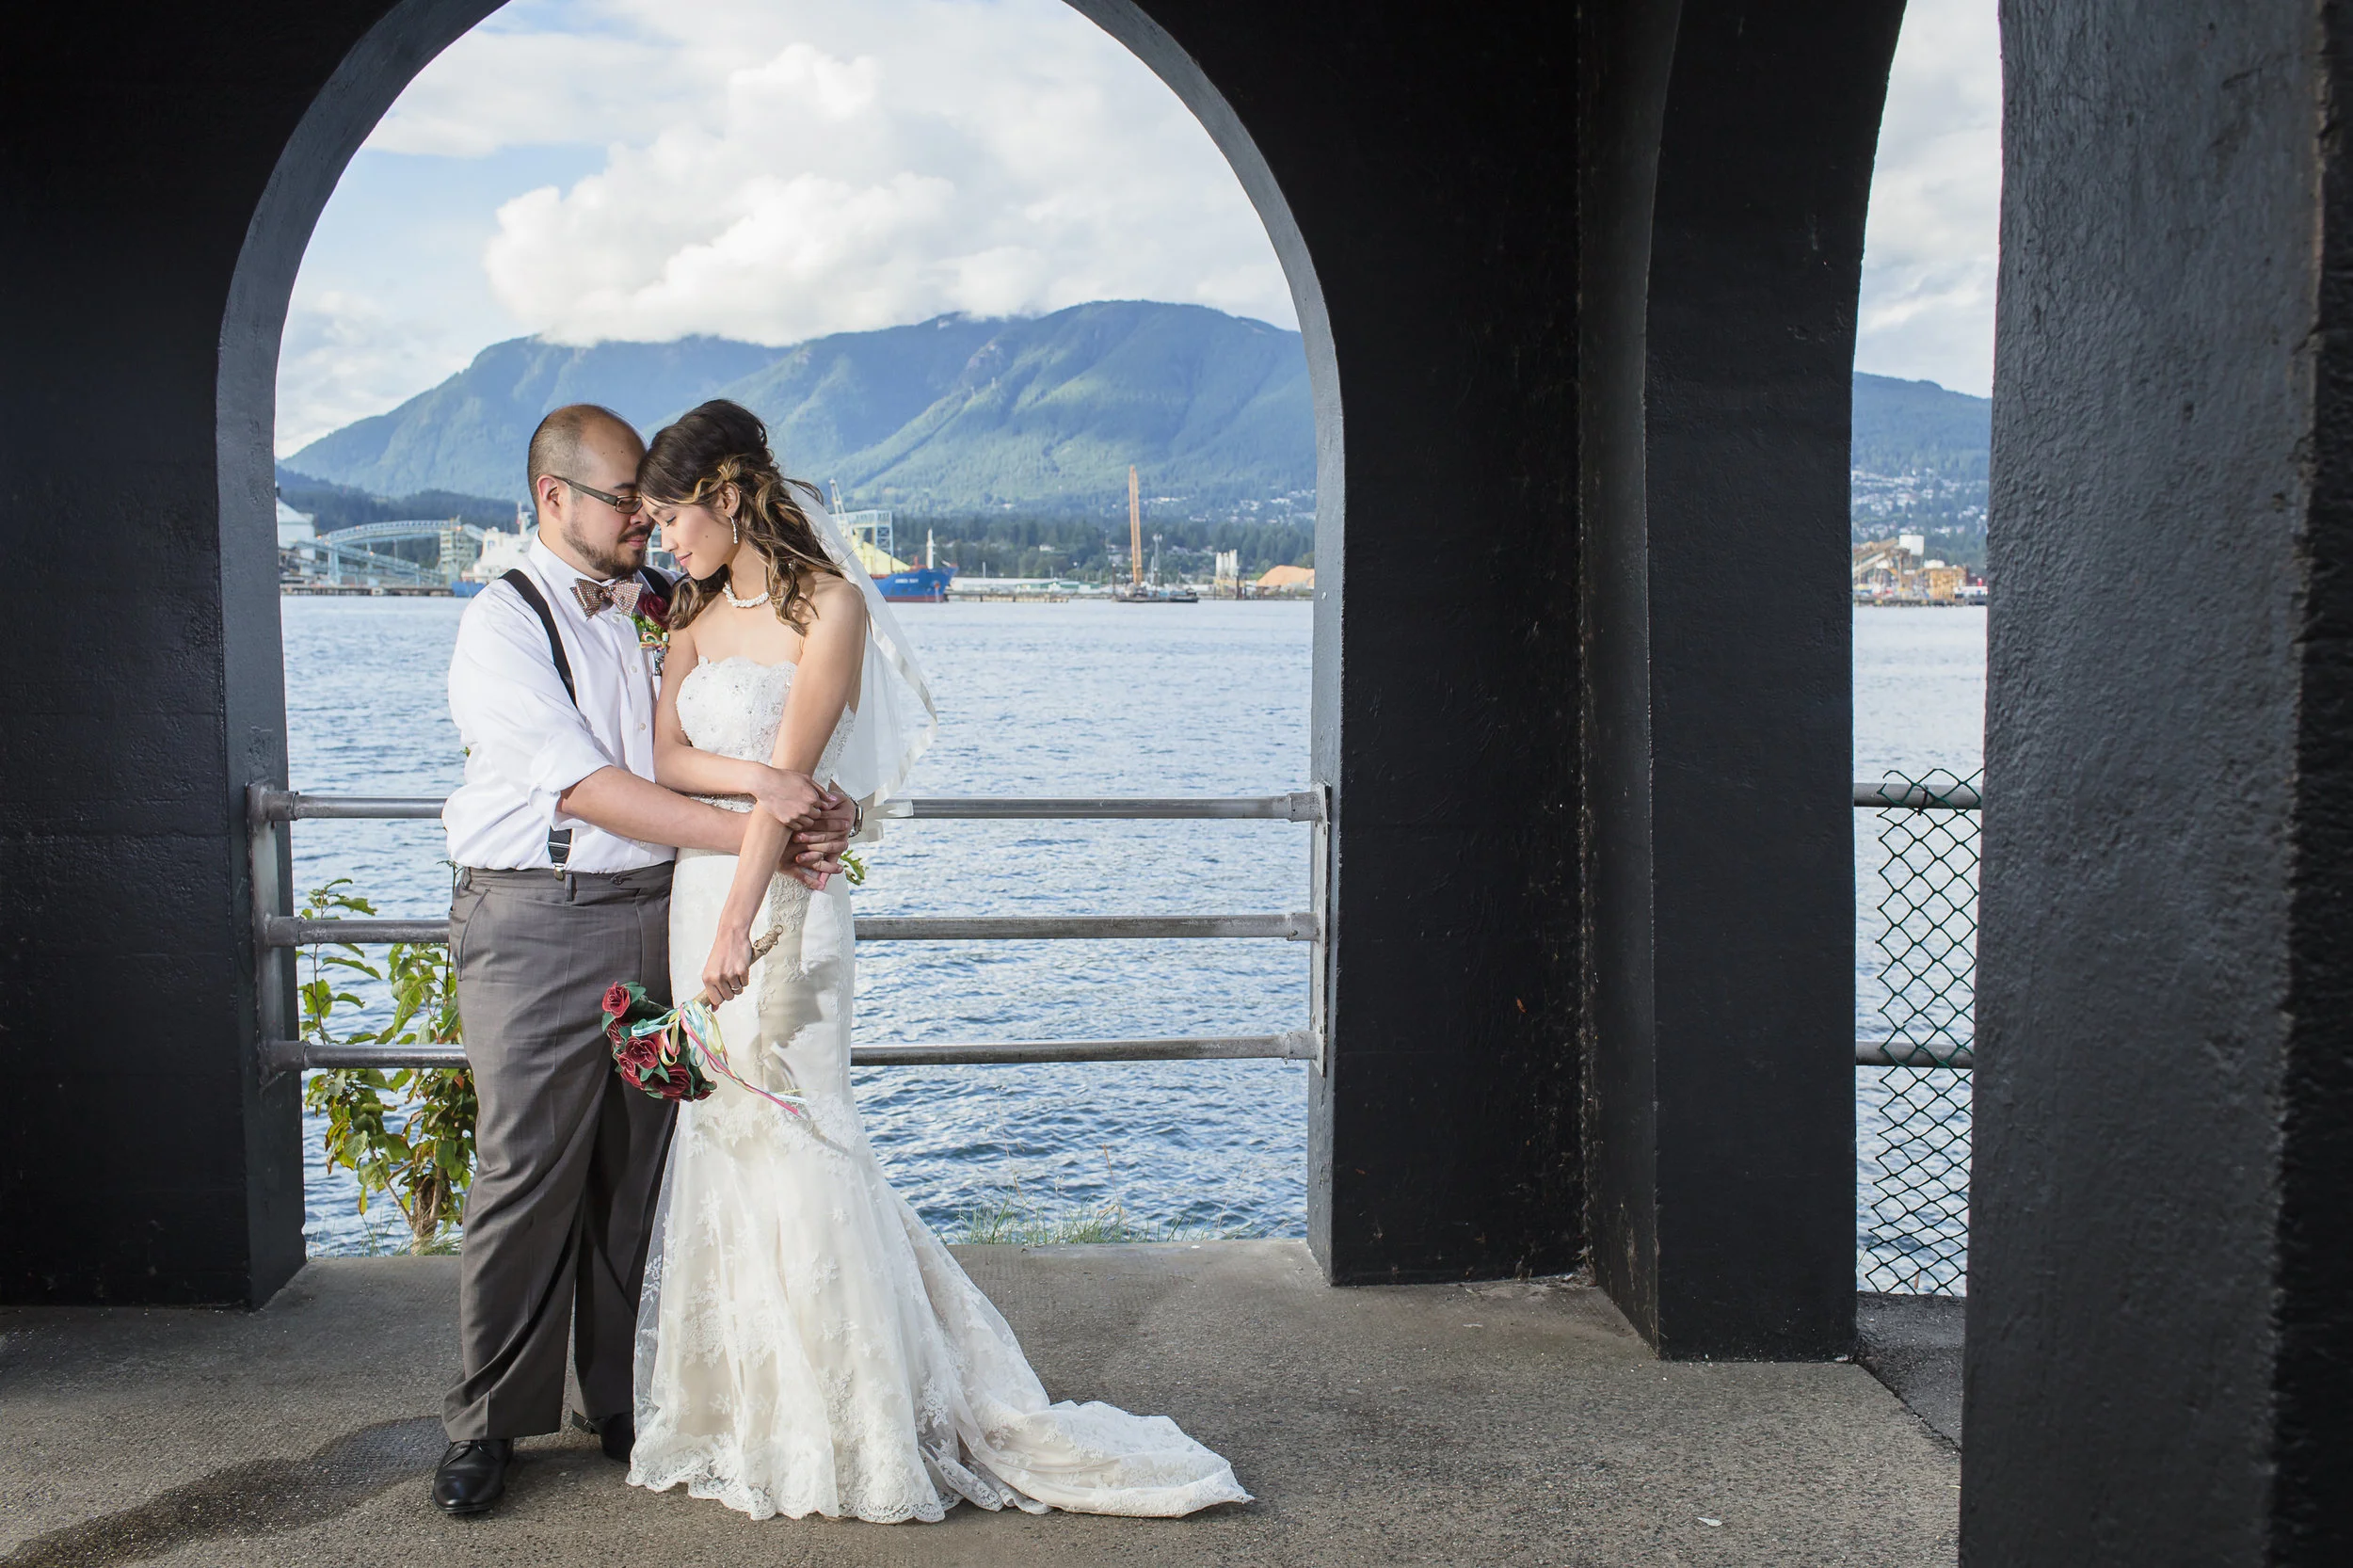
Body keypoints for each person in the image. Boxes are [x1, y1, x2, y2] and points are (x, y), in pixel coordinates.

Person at [625, 399, 1251, 1523]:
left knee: (802, 1127)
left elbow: (799, 770)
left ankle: (847, 1419)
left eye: (670, 515)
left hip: (780, 912)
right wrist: (757, 790)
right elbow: (671, 753)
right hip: (698, 891)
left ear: (723, 494)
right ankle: (748, 1411)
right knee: (724, 1127)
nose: (662, 540)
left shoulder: (836, 607)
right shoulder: (691, 614)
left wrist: (740, 918)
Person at [430, 404, 858, 1517]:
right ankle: (487, 1423)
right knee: (525, 1171)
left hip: (654, 910)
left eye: (650, 502)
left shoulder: (669, 602)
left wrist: (801, 805)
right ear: (552, 500)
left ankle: (623, 1397)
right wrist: (774, 822)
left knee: (639, 1169)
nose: (640, 520)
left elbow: (735, 742)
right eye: (623, 500)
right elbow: (586, 785)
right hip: (536, 918)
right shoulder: (502, 623)